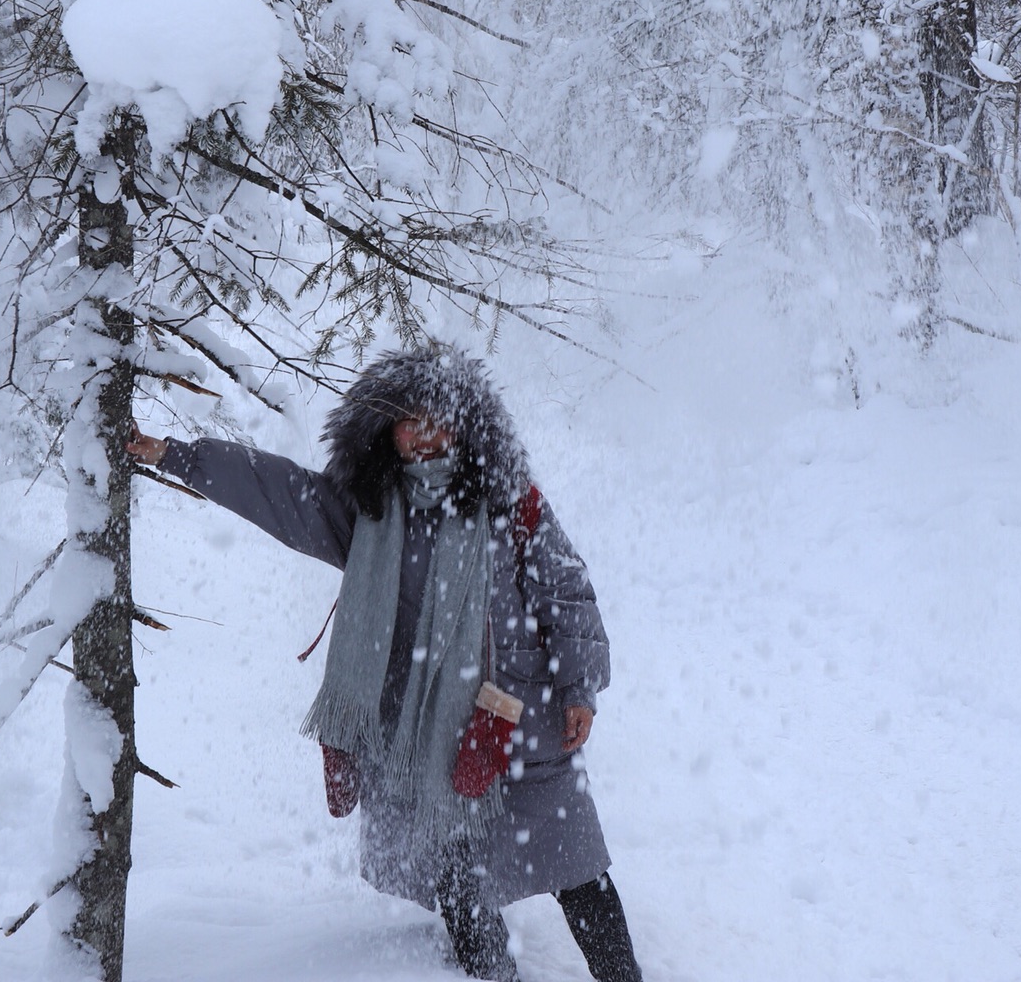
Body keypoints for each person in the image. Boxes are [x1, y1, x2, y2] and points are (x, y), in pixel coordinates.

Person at [127, 345, 643, 982]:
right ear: (384, 431)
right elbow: (277, 492)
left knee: (577, 866)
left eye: (439, 418)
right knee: (455, 870)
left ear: (467, 423)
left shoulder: (513, 504)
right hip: (418, 732)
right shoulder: (365, 509)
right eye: (409, 420)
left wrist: (579, 688)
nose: (424, 433)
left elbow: (566, 591)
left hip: (517, 719)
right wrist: (179, 456)